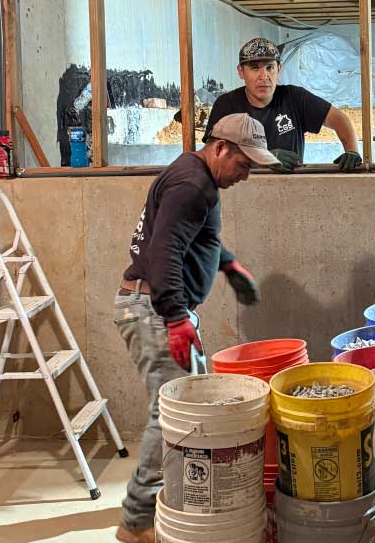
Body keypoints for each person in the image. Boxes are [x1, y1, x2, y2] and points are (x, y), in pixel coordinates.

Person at [113, 113, 279, 543]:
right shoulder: (193, 186)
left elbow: (193, 236)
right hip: (155, 310)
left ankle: (179, 503)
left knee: (190, 414)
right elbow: (164, 252)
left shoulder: (196, 175)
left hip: (161, 308)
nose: (245, 175)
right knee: (174, 418)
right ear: (220, 147)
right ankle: (136, 521)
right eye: (243, 164)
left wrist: (228, 264)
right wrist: (174, 318)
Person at [204, 37, 362, 172]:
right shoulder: (227, 105)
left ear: (278, 69)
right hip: (242, 188)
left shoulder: (294, 98)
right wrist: (262, 160)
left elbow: (339, 120)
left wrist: (353, 152)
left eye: (270, 68)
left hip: (290, 189)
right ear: (241, 71)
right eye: (254, 68)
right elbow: (213, 155)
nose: (264, 76)